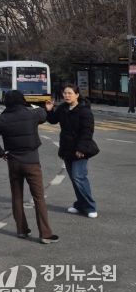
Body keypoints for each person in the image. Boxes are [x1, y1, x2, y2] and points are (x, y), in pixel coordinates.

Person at [0, 90, 59, 244]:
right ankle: (45, 234)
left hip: (13, 162)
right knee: (38, 197)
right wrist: (47, 108)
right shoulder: (32, 115)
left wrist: (0, 153)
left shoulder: (1, 119)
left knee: (17, 196)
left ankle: (21, 230)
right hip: (32, 162)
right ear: (22, 101)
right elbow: (43, 114)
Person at [46, 84, 98, 218]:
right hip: (67, 149)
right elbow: (53, 120)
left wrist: (81, 149)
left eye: (70, 93)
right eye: (65, 93)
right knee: (74, 179)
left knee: (78, 177)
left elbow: (87, 131)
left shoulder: (84, 111)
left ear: (77, 95)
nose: (67, 96)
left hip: (80, 149)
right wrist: (50, 110)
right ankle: (80, 205)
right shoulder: (63, 108)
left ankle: (90, 206)